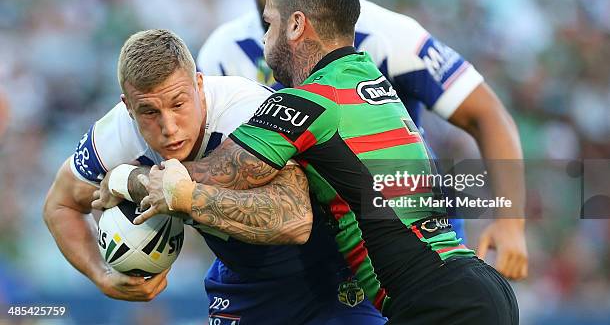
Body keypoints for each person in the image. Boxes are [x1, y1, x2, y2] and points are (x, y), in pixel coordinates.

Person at [136, 0, 519, 324]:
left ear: (296, 25)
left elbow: (221, 172)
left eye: (269, 25)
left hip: (440, 298)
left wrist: (135, 179)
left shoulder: (311, 101)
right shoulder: (370, 81)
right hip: (474, 288)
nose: (264, 41)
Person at [197, 0, 527, 281]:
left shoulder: (388, 35)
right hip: (296, 248)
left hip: (404, 242)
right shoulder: (224, 53)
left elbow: (486, 114)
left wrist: (511, 223)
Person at [44, 29, 386, 324]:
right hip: (241, 284)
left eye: (178, 104)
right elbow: (60, 205)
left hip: (329, 278)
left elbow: (295, 220)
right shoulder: (116, 133)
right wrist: (101, 276)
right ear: (128, 106)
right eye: (149, 112)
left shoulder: (246, 110)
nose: (168, 127)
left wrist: (156, 187)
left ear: (199, 84)